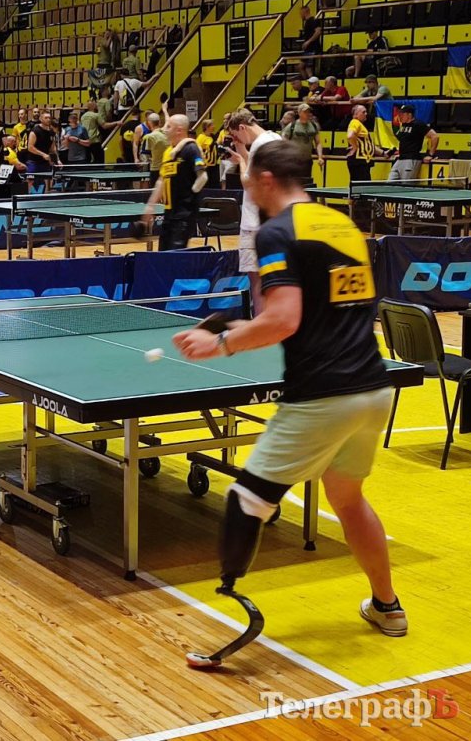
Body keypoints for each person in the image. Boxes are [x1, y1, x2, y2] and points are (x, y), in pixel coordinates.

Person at [172, 138, 406, 639]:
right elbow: (320, 309)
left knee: (247, 499)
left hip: (322, 394)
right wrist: (234, 326)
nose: (246, 187)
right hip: (371, 387)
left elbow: (283, 319)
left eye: (248, 178)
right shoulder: (340, 224)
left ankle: (230, 606)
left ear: (266, 179)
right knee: (348, 500)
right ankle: (387, 605)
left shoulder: (277, 232)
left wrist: (221, 345)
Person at [226, 108, 283, 313]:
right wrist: (242, 150)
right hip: (274, 219)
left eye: (236, 135)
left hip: (254, 223)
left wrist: (242, 162)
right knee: (273, 280)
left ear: (242, 127)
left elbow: (248, 183)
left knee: (257, 281)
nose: (237, 139)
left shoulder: (259, 146)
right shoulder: (275, 139)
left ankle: (260, 323)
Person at [142, 114, 207, 250]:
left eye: (168, 126)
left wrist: (191, 196)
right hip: (169, 213)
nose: (164, 129)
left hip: (184, 215)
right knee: (163, 253)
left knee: (176, 255)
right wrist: (150, 206)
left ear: (179, 130)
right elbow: (161, 180)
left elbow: (203, 177)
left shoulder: (191, 148)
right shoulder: (168, 152)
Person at [385, 104, 439, 181]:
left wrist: (430, 154)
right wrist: (394, 151)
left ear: (409, 115)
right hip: (400, 158)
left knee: (406, 185)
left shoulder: (418, 124)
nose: (400, 116)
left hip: (411, 159)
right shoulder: (403, 126)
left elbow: (435, 136)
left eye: (402, 114)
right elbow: (404, 142)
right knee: (389, 183)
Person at [282, 104, 325, 171]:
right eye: (305, 112)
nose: (307, 113)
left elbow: (318, 143)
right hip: (294, 160)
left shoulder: (314, 126)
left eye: (308, 111)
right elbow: (284, 142)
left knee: (307, 177)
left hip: (307, 160)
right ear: (299, 113)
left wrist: (320, 157)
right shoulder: (292, 126)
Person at [26, 110, 61, 192]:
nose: (48, 119)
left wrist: (57, 160)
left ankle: (46, 197)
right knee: (31, 182)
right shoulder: (35, 131)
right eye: (46, 118)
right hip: (33, 162)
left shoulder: (51, 132)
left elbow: (52, 148)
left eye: (49, 118)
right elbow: (30, 147)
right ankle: (29, 197)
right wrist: (43, 154)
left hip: (45, 162)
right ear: (41, 119)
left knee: (47, 182)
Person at [140, 112, 170, 189]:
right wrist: (164, 110)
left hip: (156, 169)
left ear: (149, 123)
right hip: (168, 168)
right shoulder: (167, 133)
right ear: (159, 122)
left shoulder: (148, 137)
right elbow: (168, 121)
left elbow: (145, 156)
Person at [347, 104, 375, 183]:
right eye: (363, 112)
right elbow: (350, 136)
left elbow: (367, 144)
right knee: (362, 187)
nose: (366, 114)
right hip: (359, 161)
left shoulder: (361, 125)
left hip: (363, 162)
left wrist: (383, 153)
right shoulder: (355, 122)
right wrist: (355, 147)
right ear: (356, 115)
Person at [299, 6, 324, 78]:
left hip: (313, 48)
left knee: (308, 68)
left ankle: (312, 82)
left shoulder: (313, 20)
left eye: (301, 13)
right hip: (308, 49)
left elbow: (318, 32)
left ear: (304, 12)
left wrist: (308, 41)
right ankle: (307, 81)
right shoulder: (307, 22)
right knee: (301, 66)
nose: (300, 15)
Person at [194, 118, 219, 186]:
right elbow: (197, 150)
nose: (214, 126)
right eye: (212, 125)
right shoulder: (201, 137)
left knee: (214, 183)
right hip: (205, 165)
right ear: (207, 127)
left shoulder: (213, 136)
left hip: (214, 164)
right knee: (206, 184)